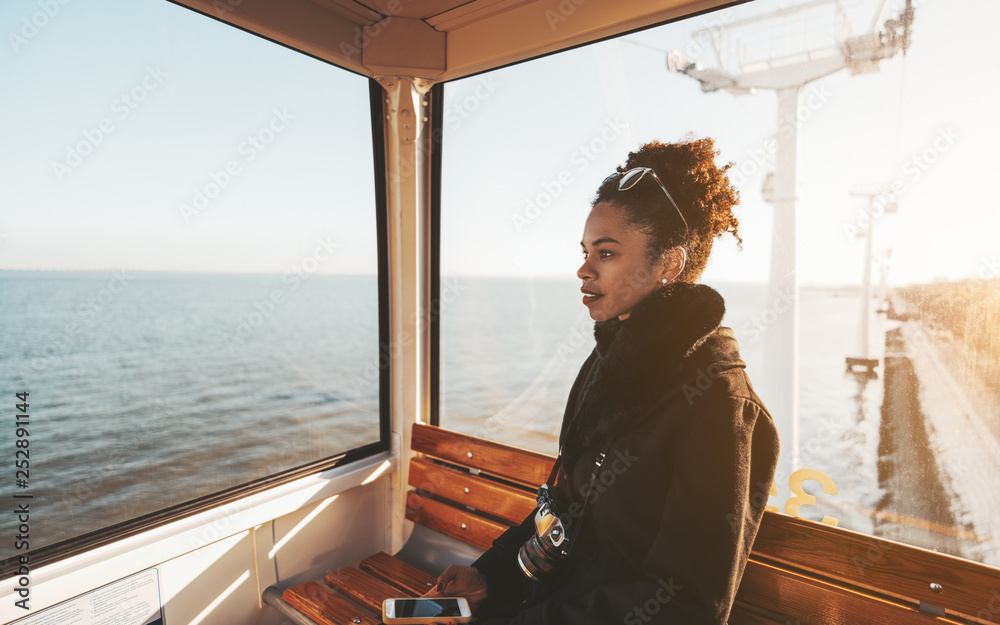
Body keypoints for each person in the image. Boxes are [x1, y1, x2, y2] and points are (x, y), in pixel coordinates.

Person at [425, 138, 780, 624]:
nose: (583, 269)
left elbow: (686, 607)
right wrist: (490, 577)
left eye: (606, 253)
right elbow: (563, 509)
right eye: (586, 251)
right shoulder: (608, 364)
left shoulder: (720, 406)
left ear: (668, 264)